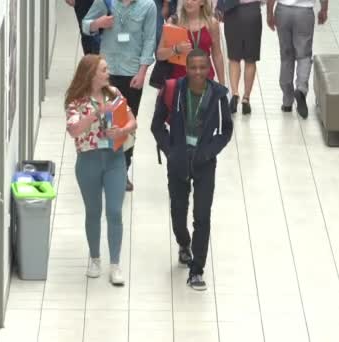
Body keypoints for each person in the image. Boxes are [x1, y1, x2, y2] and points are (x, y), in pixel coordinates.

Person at [151, 49, 233, 291]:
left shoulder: (218, 95)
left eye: (203, 68)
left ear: (209, 70)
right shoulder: (174, 90)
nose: (198, 72)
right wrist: (171, 151)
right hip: (178, 160)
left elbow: (226, 130)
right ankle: (183, 243)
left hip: (205, 163)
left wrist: (209, 151)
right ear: (186, 69)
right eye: (193, 68)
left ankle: (197, 270)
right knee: (178, 213)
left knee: (202, 215)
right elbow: (156, 125)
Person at [65, 55, 137, 286]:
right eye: (104, 70)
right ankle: (95, 258)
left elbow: (132, 120)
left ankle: (115, 264)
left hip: (115, 159)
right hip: (88, 161)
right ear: (92, 74)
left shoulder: (114, 93)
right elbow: (74, 130)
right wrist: (97, 113)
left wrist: (122, 130)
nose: (108, 73)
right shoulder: (76, 101)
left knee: (115, 211)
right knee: (93, 211)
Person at [83, 0, 157, 191]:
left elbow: (150, 39)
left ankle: (122, 170)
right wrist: (97, 24)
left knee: (126, 125)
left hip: (131, 73)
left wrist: (142, 72)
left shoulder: (148, 6)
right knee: (102, 122)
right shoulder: (106, 2)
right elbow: (85, 25)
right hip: (106, 73)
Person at [266, 0, 328, 118]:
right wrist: (324, 9)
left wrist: (269, 12)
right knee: (304, 55)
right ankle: (301, 90)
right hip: (304, 12)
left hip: (283, 11)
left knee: (286, 56)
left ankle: (287, 101)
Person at [155, 0, 226, 85]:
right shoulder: (174, 22)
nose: (188, 2)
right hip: (179, 82)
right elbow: (159, 55)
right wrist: (175, 49)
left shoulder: (211, 23)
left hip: (205, 81)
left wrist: (222, 85)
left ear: (202, 2)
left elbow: (217, 55)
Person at [215, 0, 262, 115]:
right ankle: (246, 98)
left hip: (232, 10)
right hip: (252, 11)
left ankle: (235, 93)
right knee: (250, 59)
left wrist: (218, 8)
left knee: (234, 58)